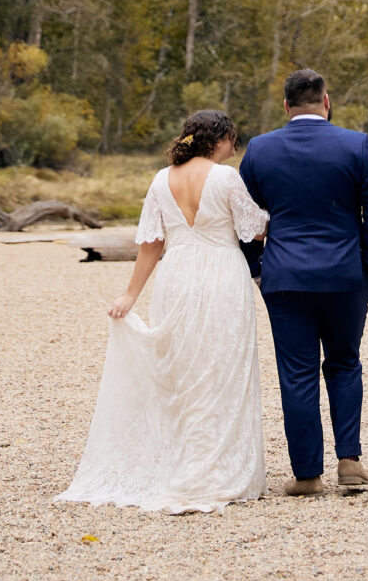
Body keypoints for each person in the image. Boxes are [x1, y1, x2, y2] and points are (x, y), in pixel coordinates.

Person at [56, 109, 269, 514]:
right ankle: (216, 469)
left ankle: (183, 464)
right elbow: (253, 229)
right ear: (218, 138)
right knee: (222, 369)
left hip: (177, 277)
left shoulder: (160, 179)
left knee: (182, 371)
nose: (235, 147)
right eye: (232, 139)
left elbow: (151, 244)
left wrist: (130, 296)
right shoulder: (226, 177)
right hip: (222, 275)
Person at [239, 67, 368, 497]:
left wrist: (257, 266)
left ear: (286, 106)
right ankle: (349, 462)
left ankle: (307, 475)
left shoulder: (260, 149)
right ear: (326, 102)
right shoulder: (356, 144)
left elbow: (244, 216)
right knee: (344, 362)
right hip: (346, 276)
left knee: (297, 374)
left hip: (284, 277)